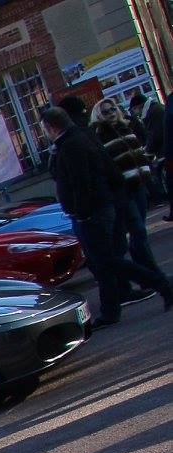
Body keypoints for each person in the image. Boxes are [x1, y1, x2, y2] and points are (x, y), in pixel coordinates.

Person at [41, 104, 173, 324]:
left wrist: (82, 212)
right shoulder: (80, 138)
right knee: (104, 263)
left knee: (107, 261)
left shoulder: (72, 145)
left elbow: (81, 182)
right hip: (101, 207)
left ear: (52, 127)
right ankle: (111, 310)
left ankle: (160, 284)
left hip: (92, 212)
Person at [93, 97, 162, 275]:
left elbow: (138, 152)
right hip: (124, 190)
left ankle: (148, 272)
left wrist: (148, 166)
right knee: (137, 230)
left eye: (112, 110)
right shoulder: (100, 136)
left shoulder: (126, 128)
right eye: (105, 112)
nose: (110, 114)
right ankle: (152, 273)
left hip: (140, 184)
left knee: (140, 231)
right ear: (99, 116)